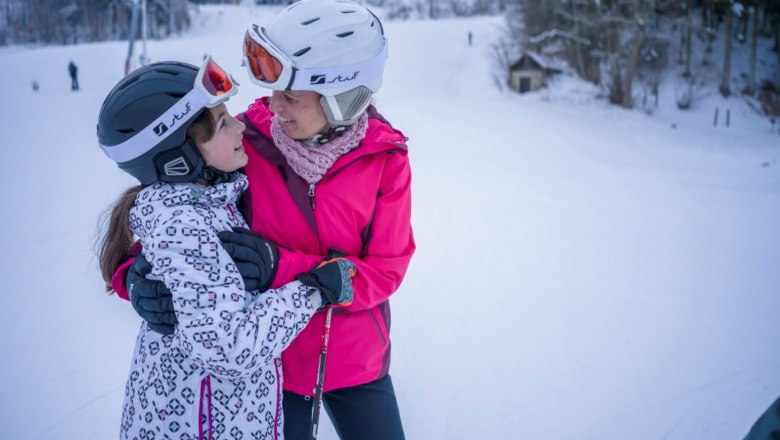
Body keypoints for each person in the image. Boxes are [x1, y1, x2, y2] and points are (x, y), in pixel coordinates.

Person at [115, 1, 415, 439]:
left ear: (342, 100)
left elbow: (386, 271)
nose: (272, 105)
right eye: (274, 90)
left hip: (355, 362)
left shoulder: (384, 160)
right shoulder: (243, 143)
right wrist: (134, 280)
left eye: (291, 96)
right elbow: (164, 222)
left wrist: (281, 267)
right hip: (273, 367)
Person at [97, 58, 356, 439]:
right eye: (222, 124)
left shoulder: (207, 201)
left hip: (212, 416)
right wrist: (312, 291)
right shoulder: (184, 224)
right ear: (177, 161)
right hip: (202, 424)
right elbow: (230, 349)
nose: (240, 126)